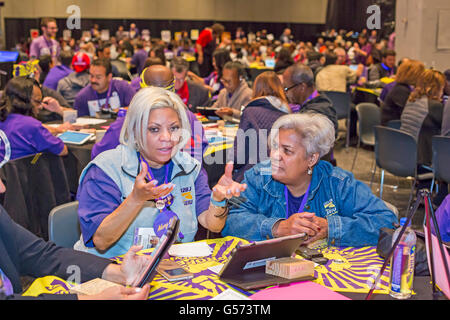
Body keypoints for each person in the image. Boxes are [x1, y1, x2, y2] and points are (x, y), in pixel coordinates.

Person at [75, 87, 247, 258]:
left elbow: (213, 225)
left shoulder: (189, 168)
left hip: (170, 269)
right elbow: (101, 240)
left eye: (173, 128)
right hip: (112, 273)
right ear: (135, 131)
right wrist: (135, 199)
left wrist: (218, 200)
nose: (167, 137)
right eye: (154, 129)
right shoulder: (105, 170)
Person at [222, 113, 398, 245]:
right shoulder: (259, 177)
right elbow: (230, 221)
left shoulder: (337, 183)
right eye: (274, 147)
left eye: (287, 150)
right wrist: (277, 228)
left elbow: (386, 220)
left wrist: (330, 227)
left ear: (312, 159)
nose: (275, 155)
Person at [91, 64, 208, 163]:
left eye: (173, 128)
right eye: (154, 129)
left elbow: (99, 158)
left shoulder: (128, 121)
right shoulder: (191, 118)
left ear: (141, 88)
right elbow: (200, 155)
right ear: (173, 88)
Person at [232, 71, 291, 182]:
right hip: (282, 176)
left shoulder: (250, 112)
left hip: (253, 177)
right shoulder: (288, 115)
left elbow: (238, 156)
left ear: (256, 89)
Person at [0, 77, 68, 161]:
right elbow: (62, 150)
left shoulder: (5, 118)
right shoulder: (31, 125)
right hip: (24, 172)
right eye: (37, 101)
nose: (40, 106)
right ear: (24, 101)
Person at [400, 69, 446, 166]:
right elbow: (445, 128)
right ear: (437, 88)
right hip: (422, 159)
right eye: (442, 87)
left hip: (403, 153)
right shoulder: (434, 106)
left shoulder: (412, 100)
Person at [282, 63, 338, 135]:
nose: (285, 93)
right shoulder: (317, 102)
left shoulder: (315, 115)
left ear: (302, 87)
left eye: (286, 88)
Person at [380, 59, 425, 125]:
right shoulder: (401, 91)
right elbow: (411, 114)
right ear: (413, 75)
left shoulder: (402, 87)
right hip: (393, 130)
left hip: (394, 127)